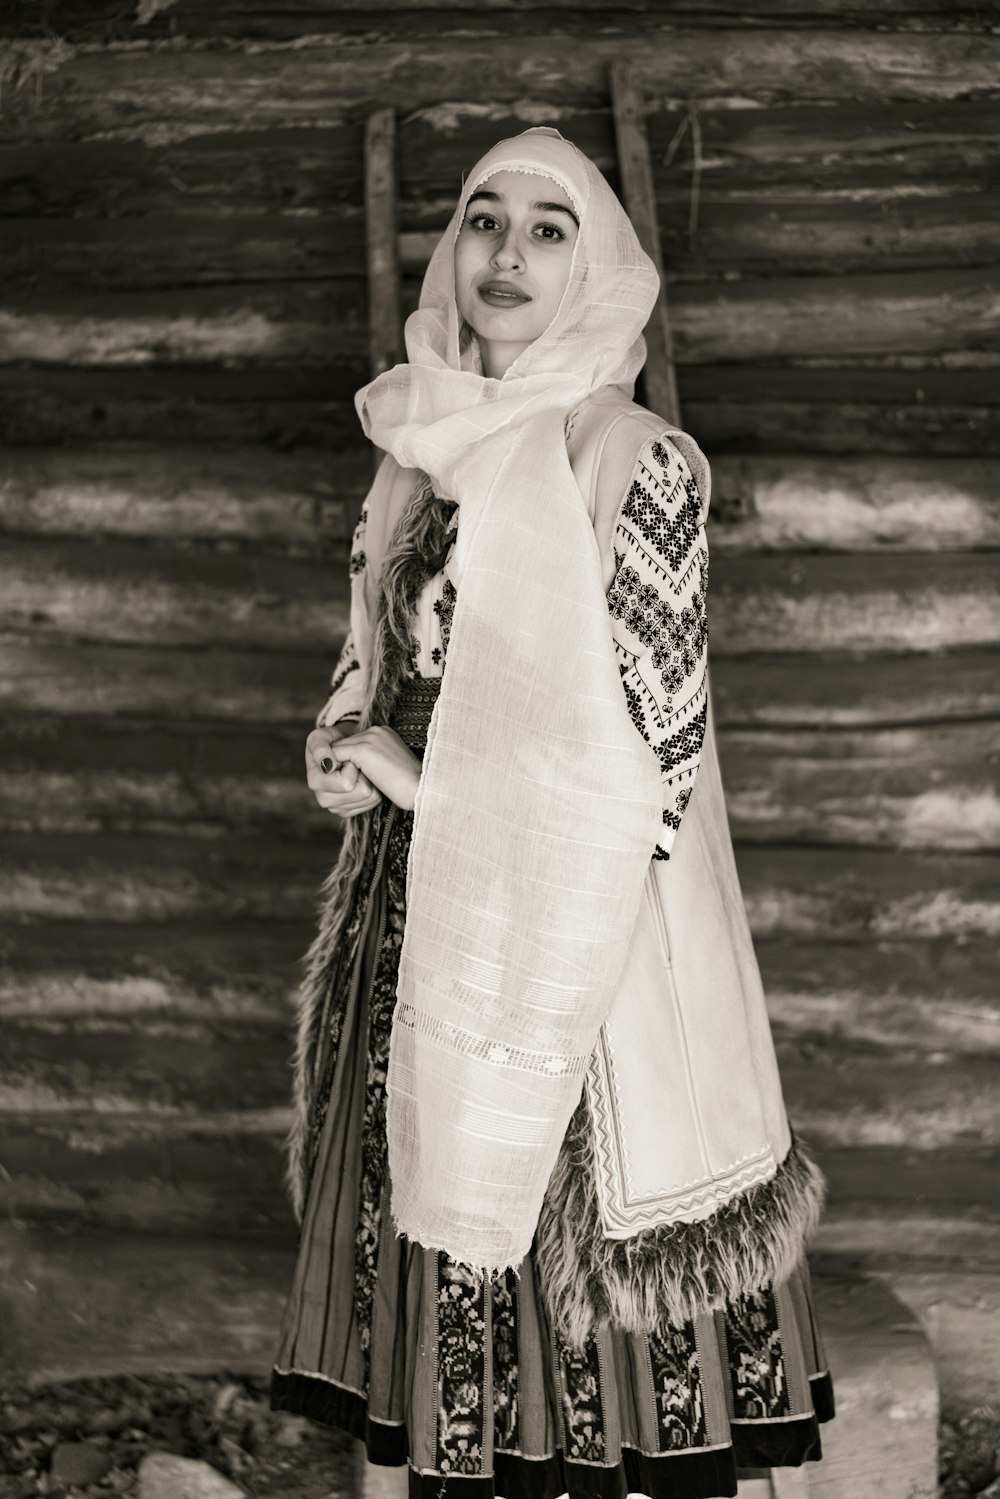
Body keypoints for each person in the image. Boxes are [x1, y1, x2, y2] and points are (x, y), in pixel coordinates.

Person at [270, 128, 835, 1499]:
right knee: (435, 1209)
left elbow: (656, 759)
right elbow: (374, 655)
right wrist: (342, 748)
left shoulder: (635, 462)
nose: (506, 255)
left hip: (584, 935)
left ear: (601, 267)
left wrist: (422, 780)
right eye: (482, 220)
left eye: (548, 227)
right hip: (412, 918)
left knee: (569, 1265)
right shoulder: (417, 438)